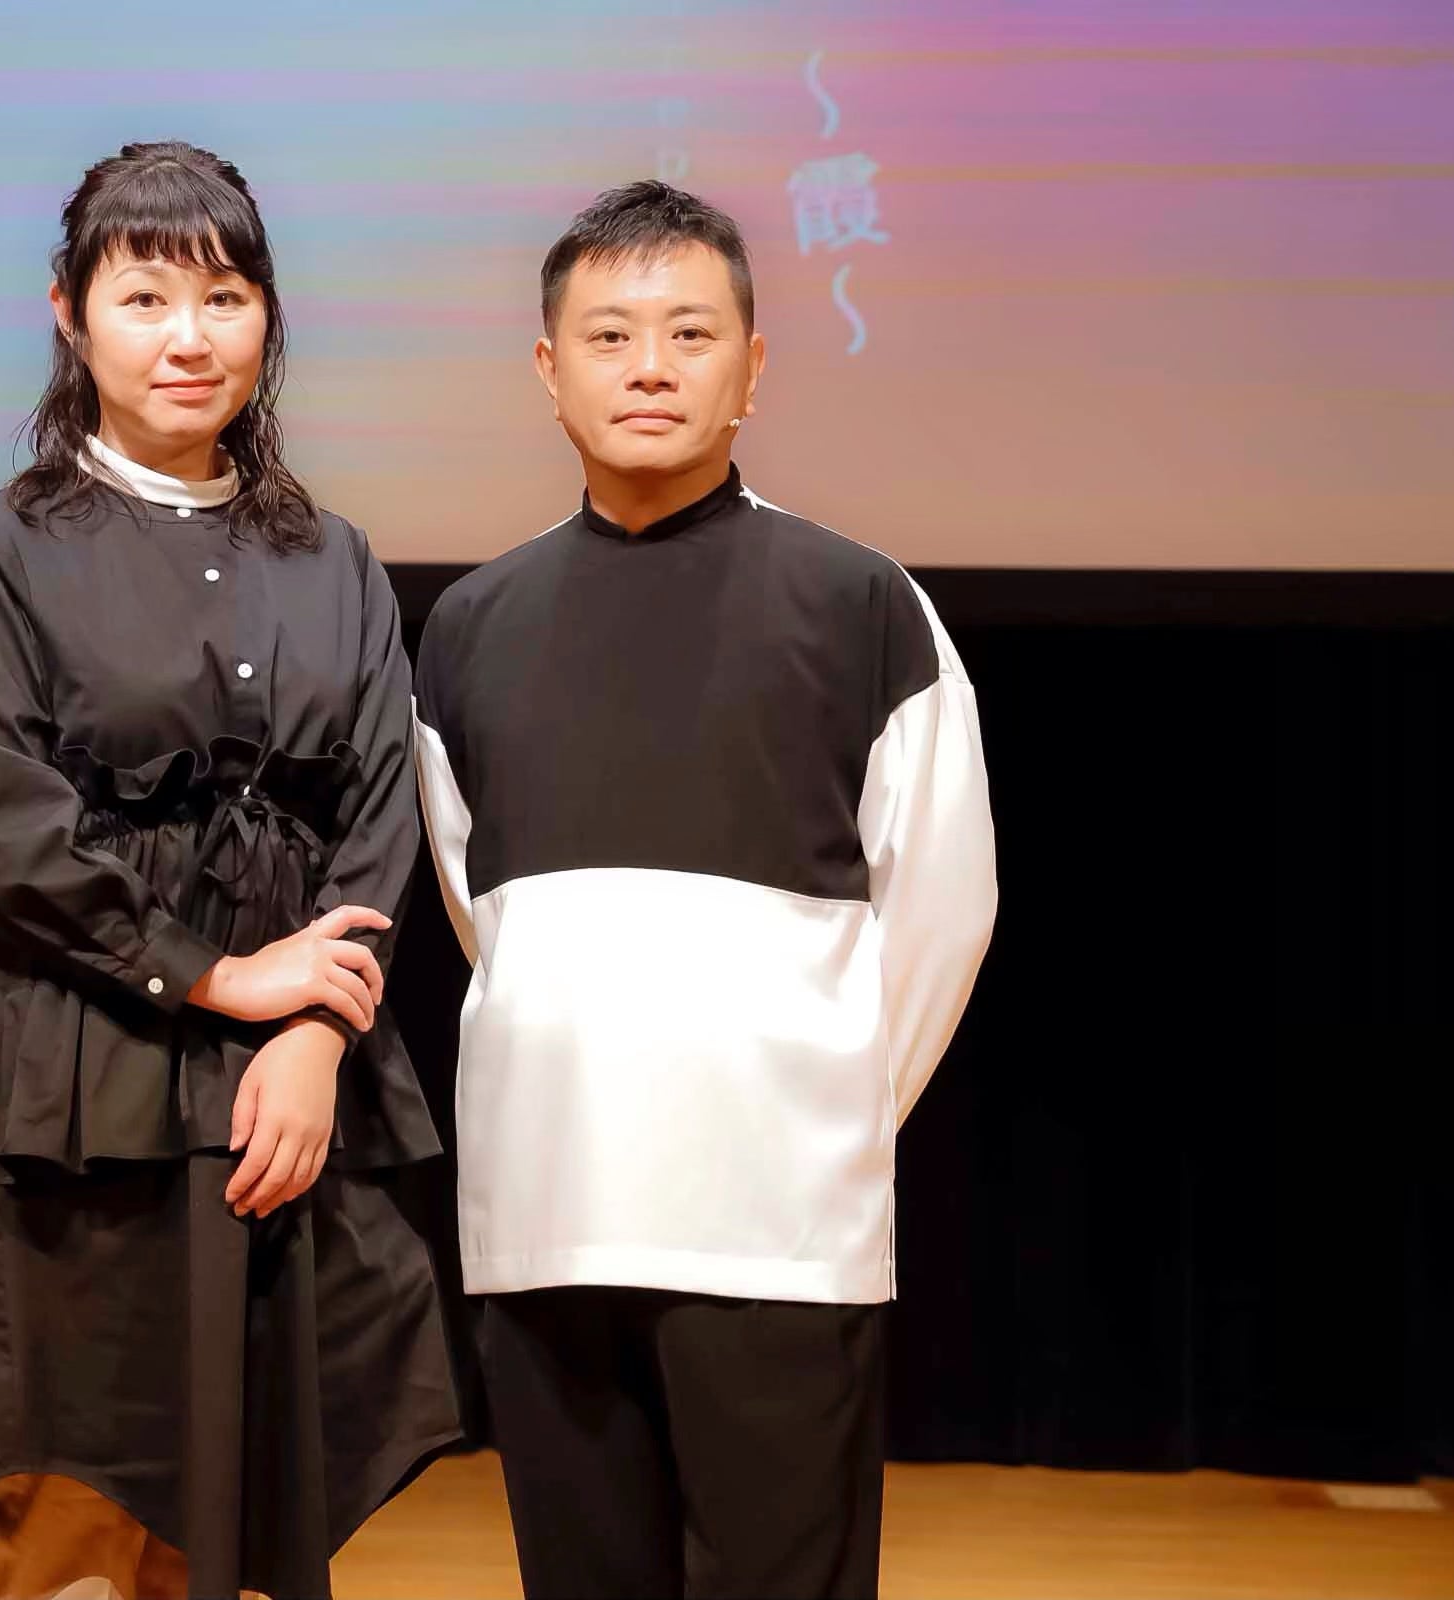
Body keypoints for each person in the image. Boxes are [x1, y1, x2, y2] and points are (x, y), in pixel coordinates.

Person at [412, 180, 998, 1599]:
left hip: (779, 1225)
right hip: (547, 1210)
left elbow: (943, 906)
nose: (652, 368)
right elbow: (481, 910)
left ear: (754, 364)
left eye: (690, 332)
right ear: (548, 368)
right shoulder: (471, 626)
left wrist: (820, 1116)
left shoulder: (863, 604)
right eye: (610, 336)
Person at [0, 141, 460, 1600]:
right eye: (145, 297)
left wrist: (316, 1028)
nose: (188, 336)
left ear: (268, 316)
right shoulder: (0, 550)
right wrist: (212, 975)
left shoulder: (333, 557)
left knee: (255, 1497)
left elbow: (378, 815)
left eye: (224, 297)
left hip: (285, 1087)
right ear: (70, 314)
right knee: (81, 1503)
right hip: (80, 1077)